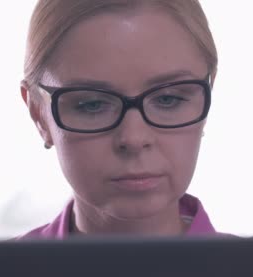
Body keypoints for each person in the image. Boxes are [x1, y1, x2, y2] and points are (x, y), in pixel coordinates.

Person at [19, 0, 224, 239]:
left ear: (207, 96)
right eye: (92, 105)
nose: (134, 139)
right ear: (38, 114)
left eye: (168, 99)